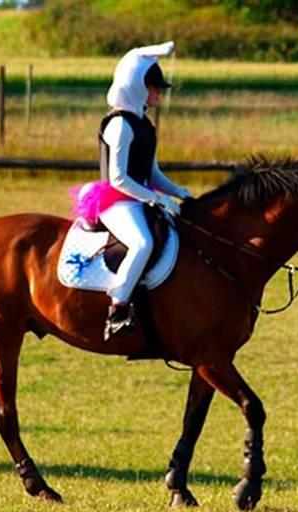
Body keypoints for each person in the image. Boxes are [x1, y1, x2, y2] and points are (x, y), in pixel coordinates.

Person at [95, 41, 192, 340]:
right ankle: (118, 307)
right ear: (137, 87)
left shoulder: (144, 124)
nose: (158, 92)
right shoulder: (120, 125)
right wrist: (158, 198)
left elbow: (152, 173)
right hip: (116, 201)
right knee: (142, 243)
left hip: (139, 197)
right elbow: (118, 179)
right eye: (154, 87)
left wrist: (178, 191)